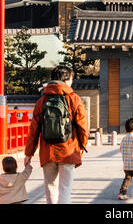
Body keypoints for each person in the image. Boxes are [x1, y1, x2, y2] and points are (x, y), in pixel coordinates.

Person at [24, 66, 89, 204]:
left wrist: (29, 153)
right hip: (68, 150)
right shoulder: (74, 99)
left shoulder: (41, 101)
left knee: (50, 188)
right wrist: (82, 145)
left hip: (48, 151)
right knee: (65, 189)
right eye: (71, 79)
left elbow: (34, 129)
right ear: (66, 79)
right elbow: (83, 126)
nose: (72, 82)